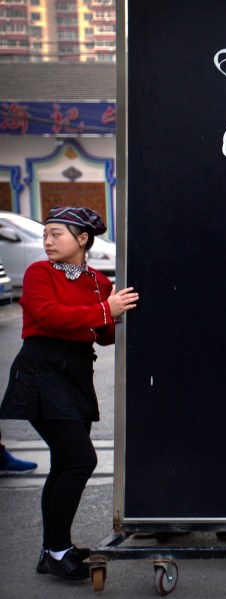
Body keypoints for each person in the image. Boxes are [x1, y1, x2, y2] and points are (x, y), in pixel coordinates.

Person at [0, 207, 138, 581]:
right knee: (79, 461)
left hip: (76, 374)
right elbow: (48, 315)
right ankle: (57, 550)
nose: (47, 242)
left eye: (56, 234)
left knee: (64, 464)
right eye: (46, 234)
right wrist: (102, 310)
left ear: (82, 239)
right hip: (41, 372)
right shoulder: (38, 273)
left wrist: (117, 313)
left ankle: (53, 550)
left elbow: (104, 335)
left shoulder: (97, 280)